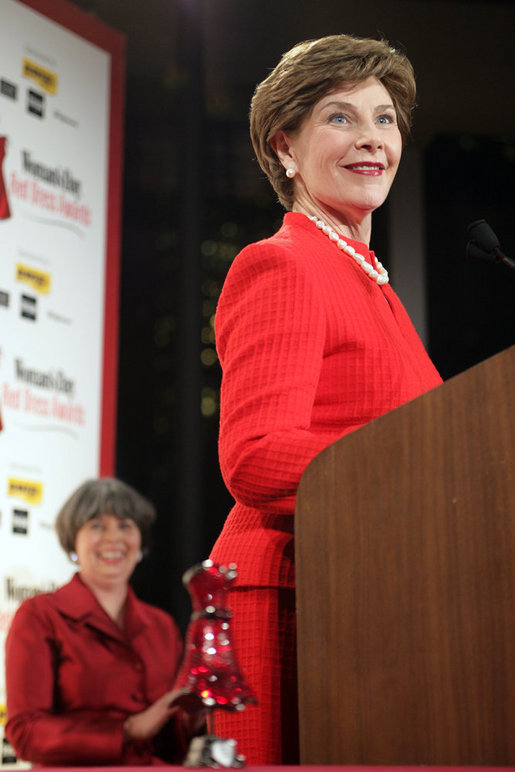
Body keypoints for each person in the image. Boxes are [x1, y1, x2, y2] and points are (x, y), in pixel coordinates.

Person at [209, 33, 443, 764]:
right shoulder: (280, 264)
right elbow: (254, 456)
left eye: (384, 119)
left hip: (363, 594)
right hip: (284, 601)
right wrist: (422, 477)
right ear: (284, 146)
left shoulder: (371, 284)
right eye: (340, 118)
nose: (370, 139)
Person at [5, 477, 199, 766]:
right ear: (73, 540)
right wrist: (127, 730)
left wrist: (192, 720)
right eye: (97, 525)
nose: (113, 538)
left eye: (125, 525)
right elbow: (26, 734)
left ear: (140, 541)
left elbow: (170, 746)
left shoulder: (161, 625)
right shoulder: (40, 615)